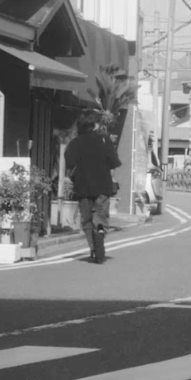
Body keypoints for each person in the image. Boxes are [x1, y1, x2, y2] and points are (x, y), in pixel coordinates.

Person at [64, 110, 121, 264]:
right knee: (101, 215)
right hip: (103, 186)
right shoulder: (104, 140)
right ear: (95, 125)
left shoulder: (75, 143)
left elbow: (70, 163)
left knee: (87, 220)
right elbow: (114, 162)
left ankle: (94, 249)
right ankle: (100, 229)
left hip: (83, 186)